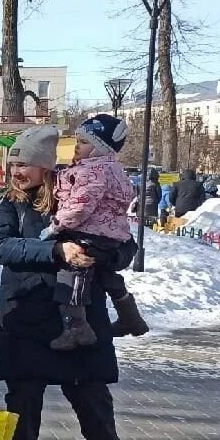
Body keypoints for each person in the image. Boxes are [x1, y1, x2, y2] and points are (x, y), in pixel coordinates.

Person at [0, 125, 129, 440]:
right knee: (23, 404)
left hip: (79, 313)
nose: (17, 171)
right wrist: (56, 252)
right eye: (13, 162)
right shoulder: (8, 202)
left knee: (93, 401)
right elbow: (2, 247)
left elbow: (123, 244)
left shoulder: (80, 192)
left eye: (26, 164)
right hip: (27, 313)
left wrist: (102, 254)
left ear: (47, 166)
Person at [42, 114, 146, 349]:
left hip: (89, 233)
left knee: (73, 273)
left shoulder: (93, 171)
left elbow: (80, 205)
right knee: (106, 273)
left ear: (101, 148)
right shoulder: (114, 169)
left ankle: (77, 327)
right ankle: (131, 317)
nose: (77, 146)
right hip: (111, 234)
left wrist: (56, 224)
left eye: (84, 142)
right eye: (77, 141)